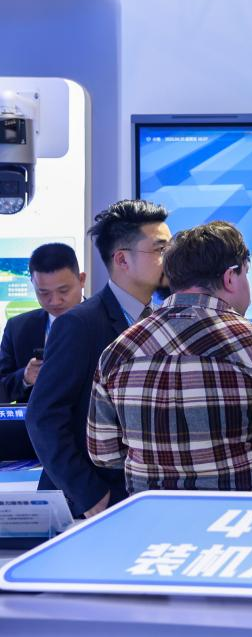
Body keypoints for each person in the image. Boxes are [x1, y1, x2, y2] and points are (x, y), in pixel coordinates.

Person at [88, 221, 252, 493]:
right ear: (230, 277)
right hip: (242, 515)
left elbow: (104, 454)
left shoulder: (118, 352)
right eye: (246, 273)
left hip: (151, 516)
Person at [26, 200, 170, 517]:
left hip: (143, 500)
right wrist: (93, 498)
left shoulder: (160, 319)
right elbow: (43, 418)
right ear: (122, 259)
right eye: (160, 249)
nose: (170, 258)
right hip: (92, 506)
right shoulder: (79, 324)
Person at [0, 243, 85, 403]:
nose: (55, 301)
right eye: (44, 293)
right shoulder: (17, 328)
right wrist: (25, 377)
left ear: (81, 280)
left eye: (63, 291)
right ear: (32, 284)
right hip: (34, 418)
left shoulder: (106, 321)